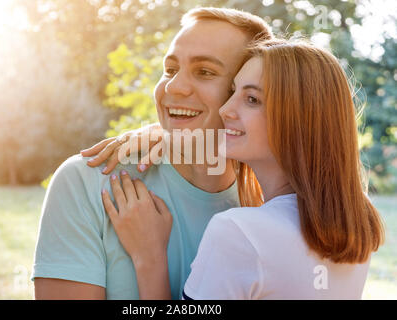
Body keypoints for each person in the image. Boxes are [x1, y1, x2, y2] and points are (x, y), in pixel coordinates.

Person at [101, 38, 385, 299]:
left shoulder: (240, 232)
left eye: (252, 100)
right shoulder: (353, 220)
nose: (225, 109)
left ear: (298, 122)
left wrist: (149, 258)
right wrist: (169, 133)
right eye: (233, 91)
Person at [31, 7, 273, 299]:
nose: (173, 86)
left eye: (205, 72)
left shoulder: (265, 209)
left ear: (249, 95)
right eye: (170, 70)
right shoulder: (88, 182)